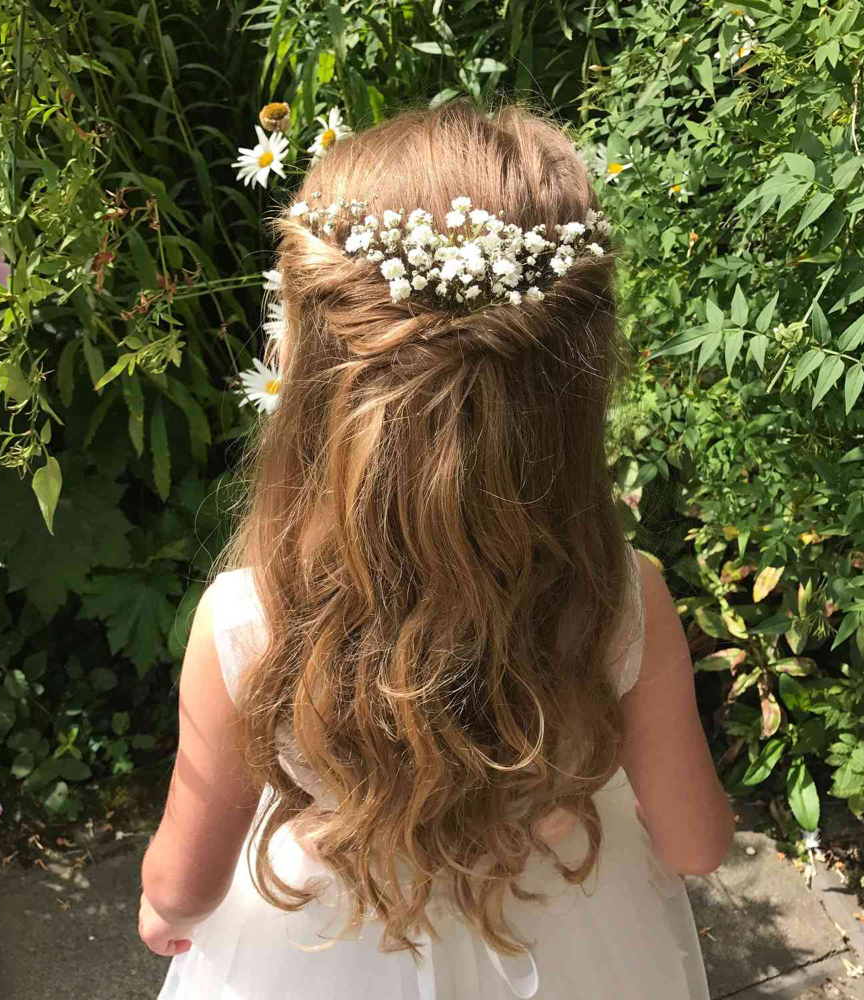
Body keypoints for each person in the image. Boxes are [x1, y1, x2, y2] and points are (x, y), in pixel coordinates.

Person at [139, 98, 735, 999]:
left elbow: (181, 885)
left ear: (304, 367)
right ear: (572, 386)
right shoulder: (621, 596)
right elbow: (696, 844)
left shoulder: (246, 625)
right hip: (575, 946)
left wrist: (166, 918)